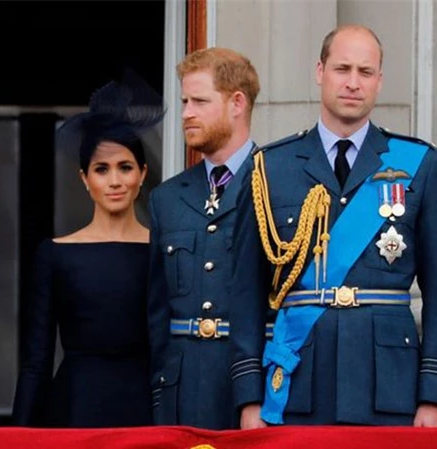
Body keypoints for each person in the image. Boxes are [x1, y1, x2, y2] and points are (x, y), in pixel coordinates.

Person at [229, 24, 437, 428]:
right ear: (320, 71)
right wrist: (249, 399)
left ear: (380, 81)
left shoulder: (419, 164)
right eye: (342, 69)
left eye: (365, 72)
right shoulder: (270, 168)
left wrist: (433, 396)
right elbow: (246, 293)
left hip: (389, 388)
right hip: (296, 385)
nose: (353, 83)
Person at [12, 74, 164, 427]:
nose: (114, 180)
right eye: (102, 169)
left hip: (146, 412)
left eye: (125, 167)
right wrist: (16, 435)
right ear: (85, 178)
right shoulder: (55, 254)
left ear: (141, 174)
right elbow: (36, 361)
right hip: (74, 411)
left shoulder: (162, 250)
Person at [147, 47, 262, 429]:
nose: (186, 114)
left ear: (237, 103)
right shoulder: (167, 198)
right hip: (182, 392)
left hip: (253, 387)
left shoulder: (277, 184)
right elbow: (158, 310)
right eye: (184, 101)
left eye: (199, 101)